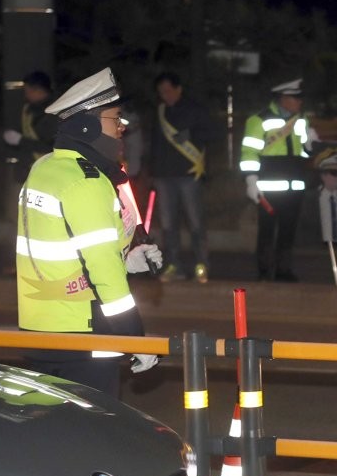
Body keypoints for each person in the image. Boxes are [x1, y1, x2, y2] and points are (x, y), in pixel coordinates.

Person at [16, 67, 162, 398]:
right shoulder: (87, 181)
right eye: (115, 119)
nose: (122, 127)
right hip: (83, 332)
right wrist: (135, 339)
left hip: (39, 327)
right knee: (95, 426)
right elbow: (103, 272)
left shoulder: (44, 168)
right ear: (88, 126)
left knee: (48, 422)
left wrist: (127, 259)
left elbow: (65, 250)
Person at [240, 78, 316, 282]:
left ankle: (284, 270)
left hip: (295, 184)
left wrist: (311, 145)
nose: (299, 102)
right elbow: (249, 152)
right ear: (283, 98)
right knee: (267, 229)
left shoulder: (301, 120)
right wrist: (251, 180)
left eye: (300, 98)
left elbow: (304, 153)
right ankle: (264, 270)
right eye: (296, 98)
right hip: (269, 186)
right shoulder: (259, 119)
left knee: (288, 229)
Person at [149, 71, 214, 283]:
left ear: (179, 89)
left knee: (195, 222)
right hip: (164, 175)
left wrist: (191, 135)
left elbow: (211, 133)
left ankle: (202, 264)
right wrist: (153, 172)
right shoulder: (159, 112)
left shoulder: (195, 109)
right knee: (168, 225)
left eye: (168, 90)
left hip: (188, 174)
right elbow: (154, 144)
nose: (165, 95)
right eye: (161, 92)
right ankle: (173, 265)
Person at [4, 70, 58, 183]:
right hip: (29, 169)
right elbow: (25, 132)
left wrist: (20, 140)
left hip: (47, 171)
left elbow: (50, 147)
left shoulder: (54, 113)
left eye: (28, 91)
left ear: (38, 90)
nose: (26, 95)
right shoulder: (29, 109)